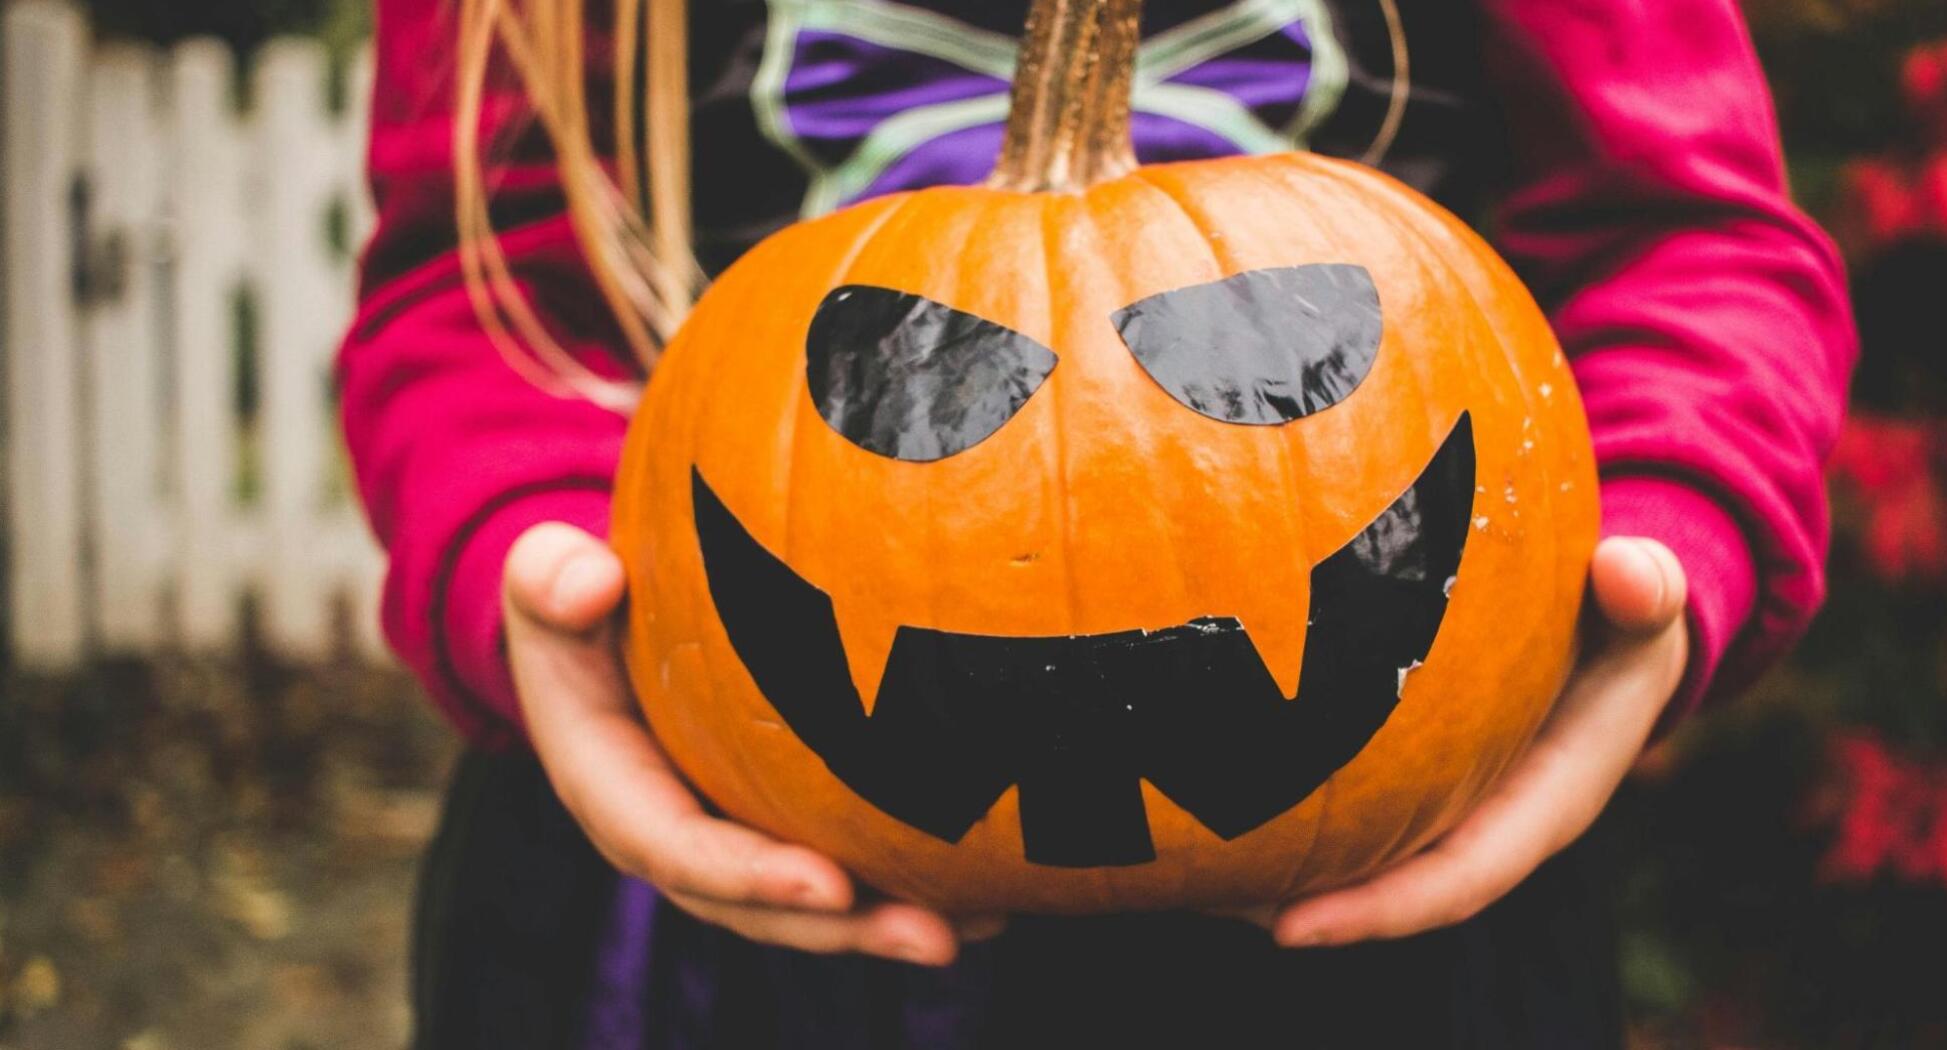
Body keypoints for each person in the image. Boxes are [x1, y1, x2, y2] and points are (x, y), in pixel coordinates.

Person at [340, 0, 1857, 1046]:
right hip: (701, 892)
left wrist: (1665, 533)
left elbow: (1687, 238)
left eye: (1266, 357)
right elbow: (476, 297)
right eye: (912, 378)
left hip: (1396, 885)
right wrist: (525, 568)